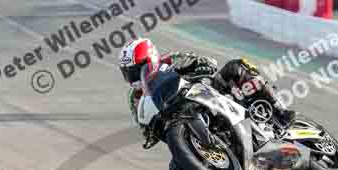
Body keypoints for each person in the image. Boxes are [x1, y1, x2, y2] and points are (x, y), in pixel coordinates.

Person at [118, 38, 296, 135]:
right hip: (179, 123)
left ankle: (279, 110)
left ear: (151, 59)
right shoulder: (135, 97)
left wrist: (201, 67)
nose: (133, 77)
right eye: (128, 72)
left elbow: (203, 61)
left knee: (236, 66)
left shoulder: (171, 60)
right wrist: (150, 130)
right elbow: (144, 125)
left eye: (136, 70)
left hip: (204, 91)